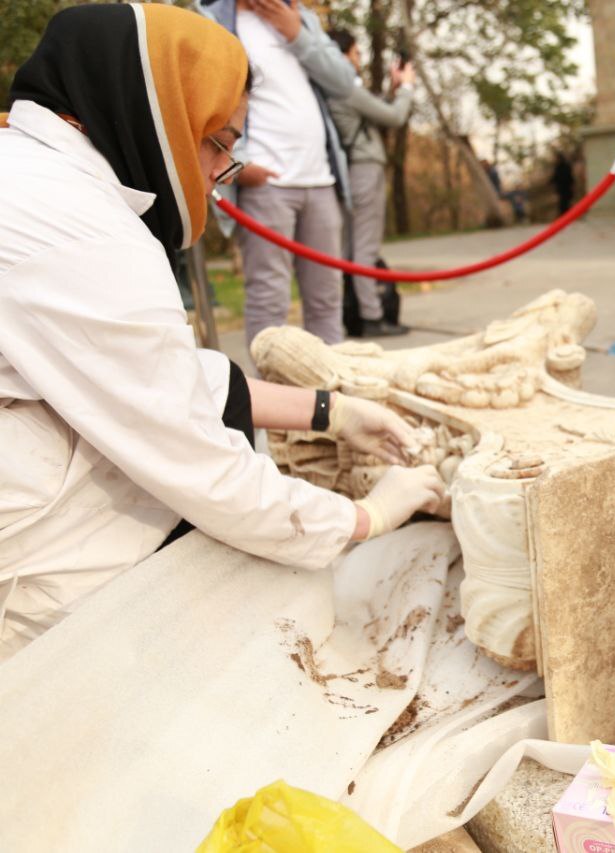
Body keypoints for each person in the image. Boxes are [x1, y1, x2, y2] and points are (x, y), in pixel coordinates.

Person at [0, 4, 445, 662]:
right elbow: (202, 467)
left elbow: (151, 375)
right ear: (159, 112)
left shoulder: (31, 172)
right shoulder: (86, 230)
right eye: (219, 143)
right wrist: (365, 517)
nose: (214, 175)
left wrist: (330, 410)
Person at [199, 0, 354, 347]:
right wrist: (239, 163)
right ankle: (274, 398)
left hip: (321, 180)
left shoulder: (305, 20)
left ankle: (334, 391)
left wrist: (297, 33)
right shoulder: (213, 19)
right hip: (265, 185)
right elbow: (203, 97)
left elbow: (344, 83)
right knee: (269, 302)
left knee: (327, 300)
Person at [327, 29, 413, 338]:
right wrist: (407, 89)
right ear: (342, 55)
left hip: (352, 169)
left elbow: (373, 112)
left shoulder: (334, 87)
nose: (359, 59)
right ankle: (372, 317)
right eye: (356, 53)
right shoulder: (343, 87)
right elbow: (393, 116)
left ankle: (359, 313)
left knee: (353, 245)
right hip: (364, 169)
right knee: (364, 246)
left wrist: (394, 86)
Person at [552, 150, 575, 216]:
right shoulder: (558, 167)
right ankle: (565, 216)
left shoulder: (565, 166)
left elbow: (569, 177)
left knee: (565, 203)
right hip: (562, 189)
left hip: (566, 188)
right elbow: (555, 177)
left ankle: (567, 216)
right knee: (563, 203)